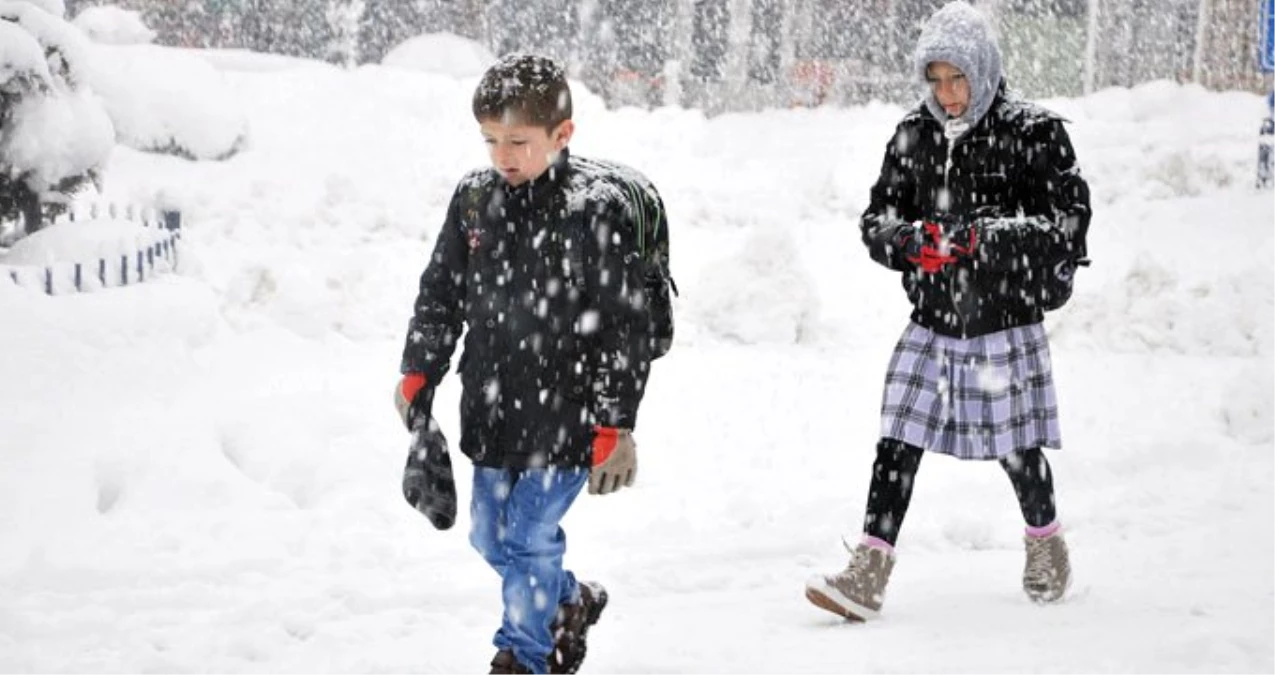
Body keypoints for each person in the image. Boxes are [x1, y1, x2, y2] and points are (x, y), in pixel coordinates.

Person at [805, 1, 1091, 621]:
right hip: (933, 320)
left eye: (957, 78)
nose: (947, 93)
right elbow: (876, 218)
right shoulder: (914, 133)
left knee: (1015, 449)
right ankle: (869, 570)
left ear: (983, 71)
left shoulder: (1034, 132)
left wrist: (982, 238)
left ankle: (1046, 544)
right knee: (897, 440)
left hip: (1003, 320)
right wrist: (907, 241)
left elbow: (1066, 228)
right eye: (935, 80)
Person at [394, 54, 671, 675]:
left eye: (519, 141)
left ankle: (525, 654)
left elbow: (621, 328)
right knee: (489, 538)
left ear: (561, 135)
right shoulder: (473, 202)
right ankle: (568, 601)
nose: (503, 156)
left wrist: (612, 424)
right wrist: (420, 371)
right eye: (491, 140)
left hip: (567, 414)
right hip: (493, 406)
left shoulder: (591, 210)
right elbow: (440, 294)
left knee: (525, 538)